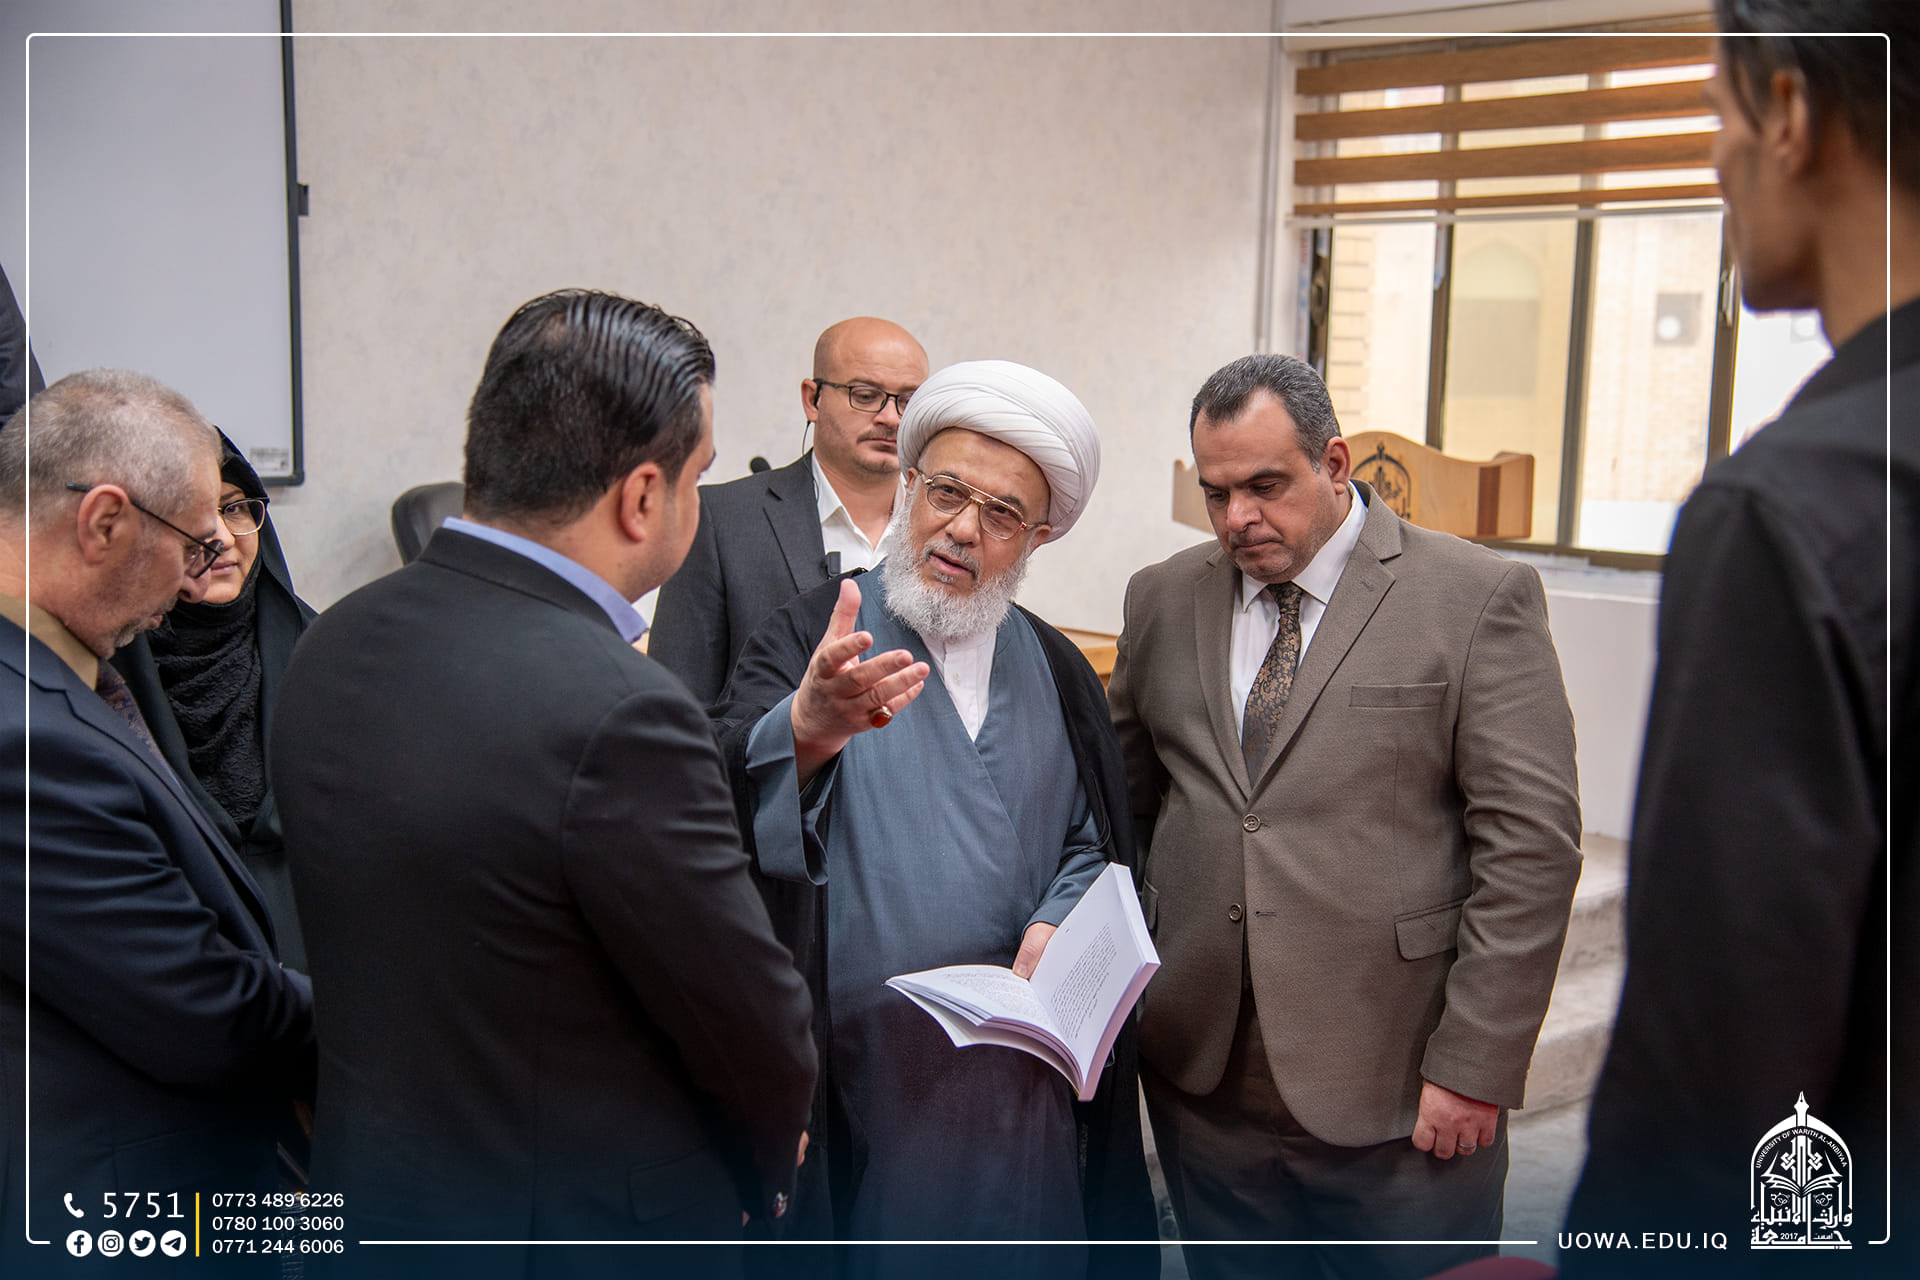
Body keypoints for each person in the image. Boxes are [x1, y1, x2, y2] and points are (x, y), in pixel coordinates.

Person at [269, 290, 817, 1274]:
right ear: (642, 497)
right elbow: (745, 1020)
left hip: (373, 1201)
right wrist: (767, 1169)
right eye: (698, 476)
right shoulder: (623, 709)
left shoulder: (333, 638)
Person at [1562, 4, 1919, 1272]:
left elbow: (1711, 1076)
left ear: (1790, 113)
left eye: (1715, 115)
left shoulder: (1792, 514)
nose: (1713, 164)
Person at [1108, 353, 1582, 1280]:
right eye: (1215, 493)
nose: (1237, 518)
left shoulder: (1474, 597)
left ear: (1333, 463)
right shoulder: (1161, 597)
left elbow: (1531, 850)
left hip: (1397, 1082)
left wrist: (1475, 1064)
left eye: (1264, 486)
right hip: (1204, 1081)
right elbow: (1128, 805)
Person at [710, 360, 1156, 1277]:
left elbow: (1094, 844)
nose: (962, 528)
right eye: (947, 492)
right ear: (910, 486)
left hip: (1027, 1080)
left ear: (1036, 538)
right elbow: (713, 808)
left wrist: (1056, 921)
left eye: (1002, 514)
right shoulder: (809, 635)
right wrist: (804, 729)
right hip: (863, 1080)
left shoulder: (1060, 669)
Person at [0, 370, 315, 1267]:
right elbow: (203, 1011)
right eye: (191, 542)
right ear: (104, 521)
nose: (196, 576)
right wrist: (402, 1032)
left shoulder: (57, 681)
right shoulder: (26, 740)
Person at [110, 433, 316, 970]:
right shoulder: (105, 673)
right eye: (194, 517)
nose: (221, 538)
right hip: (169, 956)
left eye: (234, 508)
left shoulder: (324, 654)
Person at [651, 316, 928, 704]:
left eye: (908, 402)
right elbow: (676, 700)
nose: (890, 418)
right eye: (865, 395)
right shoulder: (720, 519)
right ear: (812, 399)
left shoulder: (945, 528)